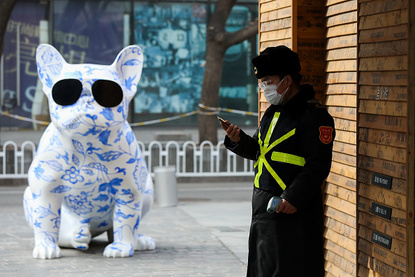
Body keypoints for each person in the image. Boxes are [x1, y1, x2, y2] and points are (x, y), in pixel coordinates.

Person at [220, 45, 335, 277]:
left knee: (292, 270)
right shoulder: (273, 112)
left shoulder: (314, 117)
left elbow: (317, 166)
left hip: (291, 213)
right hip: (264, 209)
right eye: (261, 82)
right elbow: (260, 151)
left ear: (287, 80)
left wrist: (291, 198)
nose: (264, 87)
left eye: (268, 80)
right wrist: (237, 140)